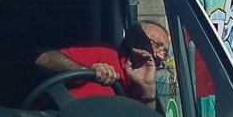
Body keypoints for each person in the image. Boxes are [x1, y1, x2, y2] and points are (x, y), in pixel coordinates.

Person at [35, 21, 166, 106]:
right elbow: (45, 59)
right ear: (133, 40)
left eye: (165, 53)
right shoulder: (104, 53)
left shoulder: (145, 86)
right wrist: (87, 72)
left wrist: (148, 89)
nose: (160, 56)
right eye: (157, 45)